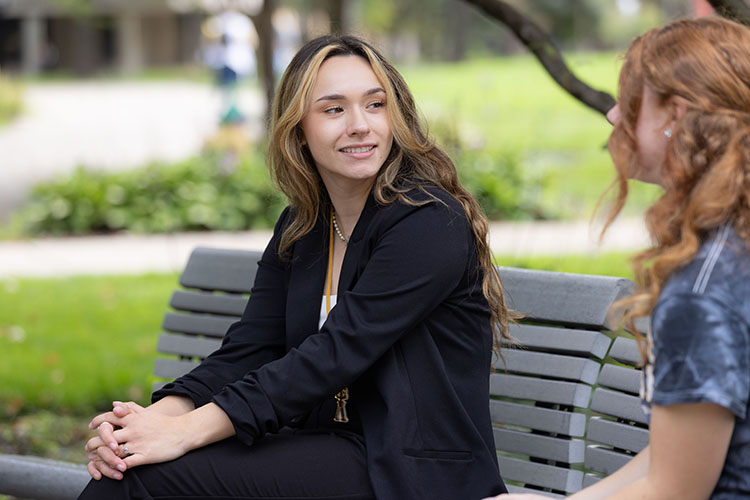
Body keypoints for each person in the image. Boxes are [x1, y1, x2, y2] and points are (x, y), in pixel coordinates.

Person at [78, 35, 511, 500]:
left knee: (146, 482)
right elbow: (251, 346)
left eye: (375, 104)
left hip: (413, 473)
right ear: (298, 127)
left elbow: (334, 353)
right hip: (327, 449)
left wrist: (186, 432)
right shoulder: (305, 225)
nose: (360, 125)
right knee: (127, 471)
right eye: (333, 110)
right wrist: (155, 419)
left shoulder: (427, 221)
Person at [486, 16, 750, 500]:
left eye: (629, 102)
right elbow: (674, 453)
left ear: (676, 116)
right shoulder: (731, 247)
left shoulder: (702, 291)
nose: (611, 117)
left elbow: (674, 490)